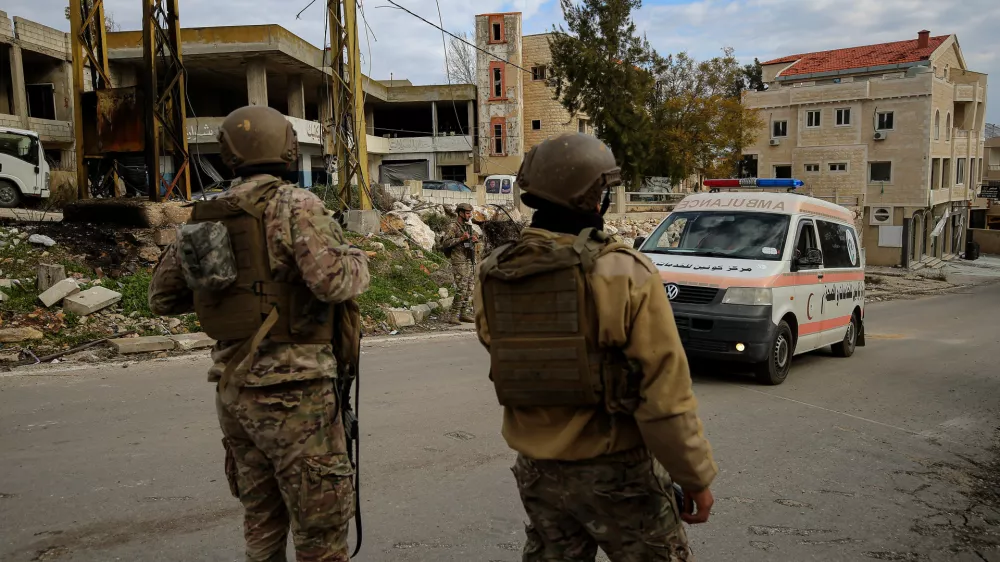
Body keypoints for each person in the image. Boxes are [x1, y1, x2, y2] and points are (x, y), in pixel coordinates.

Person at [473, 132, 717, 561]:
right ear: (594, 198)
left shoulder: (496, 273)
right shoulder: (624, 272)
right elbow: (664, 396)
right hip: (617, 472)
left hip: (537, 471)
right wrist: (694, 476)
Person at [148, 105, 370, 562]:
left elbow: (162, 297)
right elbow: (334, 283)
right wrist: (357, 258)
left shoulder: (206, 214)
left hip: (234, 392)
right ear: (287, 146)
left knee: (262, 523)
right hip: (297, 394)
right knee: (320, 532)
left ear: (228, 152)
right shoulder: (297, 205)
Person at [439, 202, 478, 324]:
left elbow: (468, 240)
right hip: (459, 260)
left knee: (469, 288)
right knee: (461, 288)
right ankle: (454, 315)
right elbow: (445, 243)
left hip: (468, 259)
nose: (470, 215)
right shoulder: (453, 226)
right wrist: (461, 239)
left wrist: (473, 239)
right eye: (467, 213)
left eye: (470, 213)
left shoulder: (467, 226)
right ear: (460, 213)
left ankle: (463, 313)